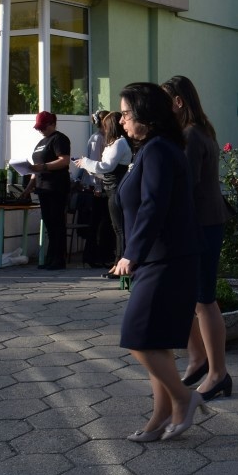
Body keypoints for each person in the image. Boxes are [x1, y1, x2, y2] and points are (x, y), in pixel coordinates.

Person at [111, 82, 204, 441]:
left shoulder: (159, 150)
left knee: (138, 336)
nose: (121, 120)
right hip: (160, 258)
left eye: (126, 114)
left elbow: (154, 206)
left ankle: (183, 398)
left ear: (146, 116)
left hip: (166, 258)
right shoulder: (152, 148)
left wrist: (131, 253)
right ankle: (160, 415)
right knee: (155, 339)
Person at [163, 75, 234, 402]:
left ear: (179, 102)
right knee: (189, 296)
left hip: (201, 225)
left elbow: (185, 186)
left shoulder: (192, 134)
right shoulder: (200, 130)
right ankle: (199, 359)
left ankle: (217, 374)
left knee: (204, 299)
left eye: (166, 101)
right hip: (204, 223)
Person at [78, 110, 132, 274]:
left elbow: (107, 166)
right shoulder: (116, 143)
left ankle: (120, 265)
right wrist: (91, 169)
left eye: (106, 126)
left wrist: (86, 162)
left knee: (119, 229)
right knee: (117, 228)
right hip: (111, 187)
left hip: (115, 189)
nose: (104, 130)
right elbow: (106, 170)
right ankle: (117, 263)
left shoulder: (119, 143)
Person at [22, 110, 71, 270]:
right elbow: (36, 170)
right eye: (38, 128)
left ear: (52, 124)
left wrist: (43, 166)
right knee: (49, 224)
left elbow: (64, 161)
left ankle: (59, 259)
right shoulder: (41, 142)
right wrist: (29, 188)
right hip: (43, 188)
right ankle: (51, 258)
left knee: (57, 223)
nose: (40, 130)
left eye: (43, 127)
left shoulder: (59, 139)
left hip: (56, 187)